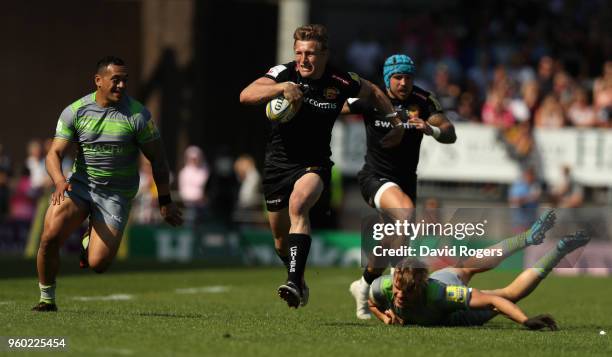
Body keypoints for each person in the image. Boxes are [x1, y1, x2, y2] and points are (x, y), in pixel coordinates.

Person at [240, 24, 399, 309]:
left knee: (299, 205)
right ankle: (298, 279)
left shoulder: (340, 79)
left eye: (311, 53)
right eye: (299, 52)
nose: (304, 59)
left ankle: (291, 283)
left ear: (325, 54)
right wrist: (281, 88)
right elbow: (246, 95)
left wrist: (396, 123)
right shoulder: (284, 73)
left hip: (314, 164)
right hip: (277, 165)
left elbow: (373, 91)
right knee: (279, 241)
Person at [32, 56, 183, 312]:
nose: (122, 85)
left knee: (98, 264)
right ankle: (47, 298)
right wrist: (59, 181)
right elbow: (54, 153)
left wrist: (165, 201)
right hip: (78, 188)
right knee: (49, 237)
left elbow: (158, 159)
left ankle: (88, 241)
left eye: (125, 80)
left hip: (116, 195)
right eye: (116, 80)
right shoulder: (76, 111)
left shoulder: (137, 115)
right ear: (98, 81)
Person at [342, 54, 456, 319]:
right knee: (405, 215)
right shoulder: (374, 99)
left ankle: (366, 289)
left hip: (406, 182)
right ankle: (365, 288)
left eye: (408, 77)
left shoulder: (424, 101)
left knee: (398, 251)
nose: (404, 82)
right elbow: (335, 107)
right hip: (375, 177)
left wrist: (431, 129)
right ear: (387, 78)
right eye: (398, 77)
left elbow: (449, 132)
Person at [368, 226, 589, 329]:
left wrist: (525, 320)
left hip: (458, 315)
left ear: (420, 286)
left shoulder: (442, 294)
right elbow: (372, 303)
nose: (399, 295)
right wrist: (384, 317)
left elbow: (493, 300)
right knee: (467, 267)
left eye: (407, 291)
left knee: (508, 295)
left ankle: (558, 252)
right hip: (443, 275)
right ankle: (527, 238)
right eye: (398, 289)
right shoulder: (382, 286)